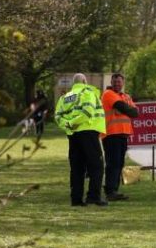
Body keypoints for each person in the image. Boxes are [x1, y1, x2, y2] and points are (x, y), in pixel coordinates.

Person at [54, 73, 108, 207]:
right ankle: (94, 196)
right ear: (84, 81)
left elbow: (58, 115)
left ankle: (76, 199)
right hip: (88, 132)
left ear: (73, 83)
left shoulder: (65, 97)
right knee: (96, 166)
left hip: (73, 135)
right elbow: (87, 112)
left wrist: (68, 124)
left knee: (77, 167)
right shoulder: (87, 92)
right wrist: (73, 123)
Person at [101, 73, 138, 201]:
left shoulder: (126, 96)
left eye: (119, 82)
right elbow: (123, 108)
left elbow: (135, 112)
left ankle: (114, 190)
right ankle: (110, 191)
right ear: (111, 82)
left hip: (123, 134)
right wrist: (126, 109)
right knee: (113, 163)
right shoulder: (108, 94)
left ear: (123, 83)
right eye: (115, 81)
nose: (117, 84)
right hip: (111, 134)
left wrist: (125, 109)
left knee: (119, 163)